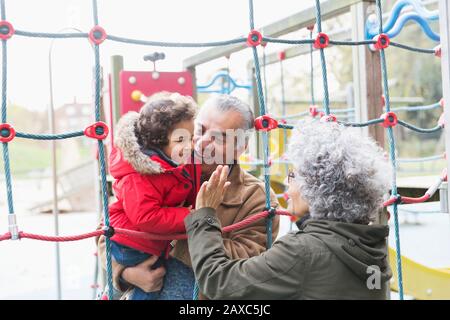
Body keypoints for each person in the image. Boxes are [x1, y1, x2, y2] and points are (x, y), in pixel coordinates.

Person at [97, 94, 279, 299]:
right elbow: (109, 230)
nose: (201, 143)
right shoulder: (158, 171)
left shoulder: (256, 198)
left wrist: (186, 230)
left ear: (241, 147)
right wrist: (125, 274)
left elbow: (243, 263)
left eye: (219, 138)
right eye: (198, 130)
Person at [186, 120, 393, 300]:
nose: (286, 181)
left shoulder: (302, 252)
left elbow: (218, 282)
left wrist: (205, 215)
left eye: (293, 175)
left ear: (316, 189)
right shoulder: (374, 247)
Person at [106, 91, 200, 300]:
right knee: (149, 289)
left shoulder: (170, 164)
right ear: (158, 143)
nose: (191, 145)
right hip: (130, 243)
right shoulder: (140, 176)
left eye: (192, 137)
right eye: (181, 139)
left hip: (144, 241)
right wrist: (190, 216)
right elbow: (146, 216)